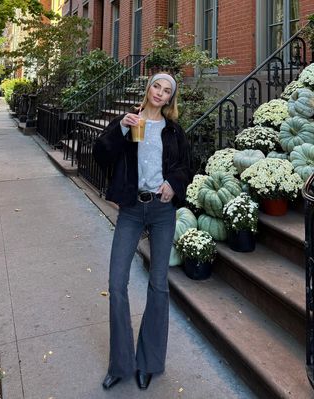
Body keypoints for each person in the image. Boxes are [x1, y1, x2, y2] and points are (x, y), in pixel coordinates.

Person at [92, 72, 192, 391]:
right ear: (148, 89)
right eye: (156, 86)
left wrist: (172, 185)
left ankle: (148, 362)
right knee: (116, 283)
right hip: (132, 210)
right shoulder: (130, 122)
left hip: (162, 212)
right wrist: (120, 127)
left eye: (166, 91)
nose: (160, 93)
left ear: (169, 99)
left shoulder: (174, 131)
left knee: (158, 285)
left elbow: (186, 167)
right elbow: (101, 154)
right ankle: (120, 364)